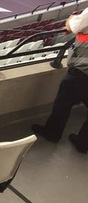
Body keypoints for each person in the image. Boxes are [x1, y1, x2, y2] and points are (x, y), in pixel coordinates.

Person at [31, 8, 88, 153]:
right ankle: (84, 143)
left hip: (82, 72)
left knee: (62, 104)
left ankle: (52, 133)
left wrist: (70, 22)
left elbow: (75, 25)